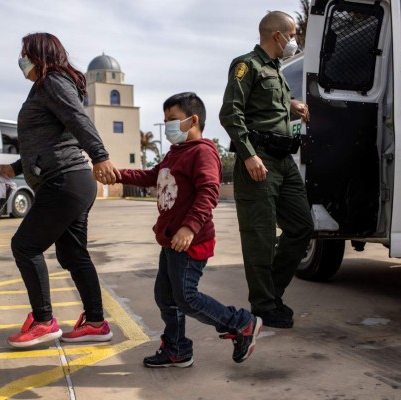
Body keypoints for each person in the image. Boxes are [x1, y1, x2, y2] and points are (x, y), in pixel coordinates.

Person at [118, 92, 262, 367]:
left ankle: (241, 323)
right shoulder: (175, 153)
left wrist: (189, 228)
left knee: (186, 297)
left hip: (190, 241)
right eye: (165, 120)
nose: (168, 125)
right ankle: (177, 349)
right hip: (171, 241)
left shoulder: (203, 152)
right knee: (166, 297)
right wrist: (118, 174)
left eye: (172, 119)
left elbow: (209, 193)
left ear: (192, 120)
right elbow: (152, 176)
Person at [0, 32, 120, 348]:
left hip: (64, 180)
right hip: (69, 180)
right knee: (72, 253)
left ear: (40, 55)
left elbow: (78, 119)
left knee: (25, 245)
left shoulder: (53, 81)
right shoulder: (44, 87)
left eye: (26, 54)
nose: (21, 61)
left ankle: (43, 321)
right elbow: (46, 139)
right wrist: (14, 168)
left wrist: (101, 156)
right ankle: (95, 323)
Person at [219, 12, 314, 329]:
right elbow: (230, 113)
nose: (295, 39)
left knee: (301, 226)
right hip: (258, 159)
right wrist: (247, 155)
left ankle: (271, 293)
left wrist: (293, 104)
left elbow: (269, 104)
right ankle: (264, 306)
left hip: (284, 161)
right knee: (259, 236)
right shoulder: (246, 65)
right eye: (293, 34)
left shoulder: (276, 70)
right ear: (277, 35)